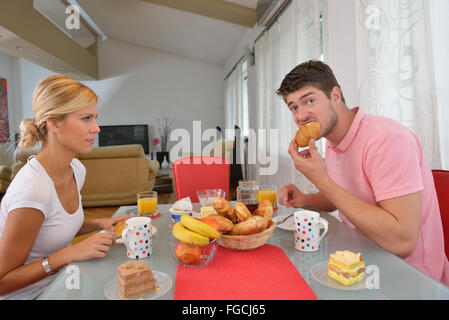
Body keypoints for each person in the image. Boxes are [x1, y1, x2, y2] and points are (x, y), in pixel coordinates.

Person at [277, 60, 449, 285]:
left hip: (412, 277)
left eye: (309, 100)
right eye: (294, 107)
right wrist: (305, 199)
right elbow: (342, 198)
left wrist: (320, 178)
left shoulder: (386, 140)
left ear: (335, 96)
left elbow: (403, 241)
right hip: (360, 259)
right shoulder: (331, 140)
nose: (300, 116)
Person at [0, 75, 130, 299]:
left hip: (63, 282)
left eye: (95, 118)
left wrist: (97, 224)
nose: (97, 128)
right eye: (86, 118)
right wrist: (67, 254)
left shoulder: (76, 169)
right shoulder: (32, 189)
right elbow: (2, 282)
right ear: (54, 123)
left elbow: (51, 227)